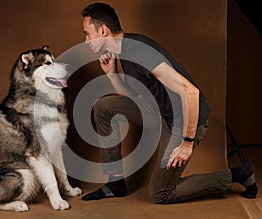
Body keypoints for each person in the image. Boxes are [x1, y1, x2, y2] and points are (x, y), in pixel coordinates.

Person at [80, 2, 258, 203]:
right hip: (160, 112)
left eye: (87, 33)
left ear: (103, 30)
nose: (86, 41)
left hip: (184, 119)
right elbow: (133, 96)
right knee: (103, 107)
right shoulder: (125, 50)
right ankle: (115, 183)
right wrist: (112, 74)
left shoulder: (139, 52)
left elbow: (191, 92)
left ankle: (238, 174)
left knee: (161, 193)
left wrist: (186, 143)